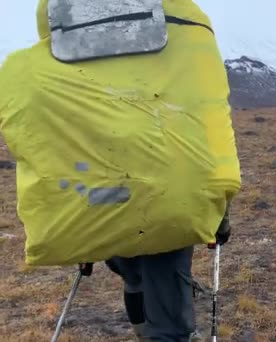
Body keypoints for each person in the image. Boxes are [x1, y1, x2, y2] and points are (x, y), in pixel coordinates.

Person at [0, 0, 240, 341]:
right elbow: (211, 137)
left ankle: (146, 331)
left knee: (134, 274)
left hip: (101, 199)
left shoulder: (60, 69)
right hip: (169, 201)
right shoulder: (187, 52)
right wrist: (222, 214)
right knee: (167, 310)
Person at [105, 215, 231, 342]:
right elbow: (219, 194)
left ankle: (143, 336)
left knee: (133, 279)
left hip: (115, 224)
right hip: (168, 224)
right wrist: (221, 225)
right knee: (170, 328)